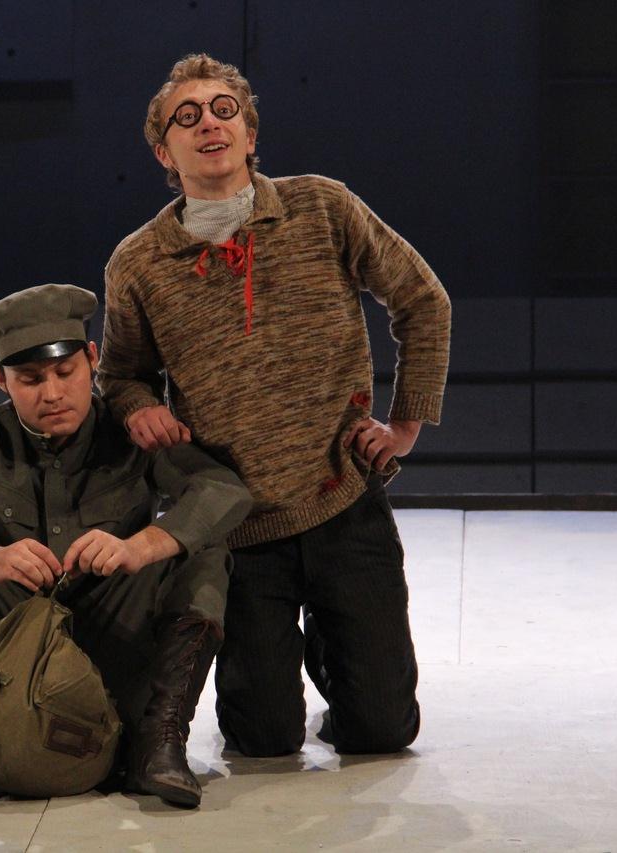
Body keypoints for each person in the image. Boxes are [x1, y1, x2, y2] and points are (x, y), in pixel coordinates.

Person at [98, 54, 451, 759]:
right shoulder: (138, 262)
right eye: (187, 117)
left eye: (224, 110)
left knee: (382, 729)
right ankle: (304, 651)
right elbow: (121, 376)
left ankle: (337, 643)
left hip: (341, 497)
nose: (209, 124)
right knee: (262, 738)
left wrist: (406, 422)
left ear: (251, 134)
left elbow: (423, 300)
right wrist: (137, 408)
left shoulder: (322, 207)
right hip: (237, 523)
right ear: (164, 151)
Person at [0, 283, 251, 808]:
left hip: (112, 645)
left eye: (66, 372)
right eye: (30, 379)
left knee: (200, 550)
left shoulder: (129, 433)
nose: (52, 393)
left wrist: (142, 545)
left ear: (91, 360)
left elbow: (223, 491)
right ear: (1, 380)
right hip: (8, 653)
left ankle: (160, 744)